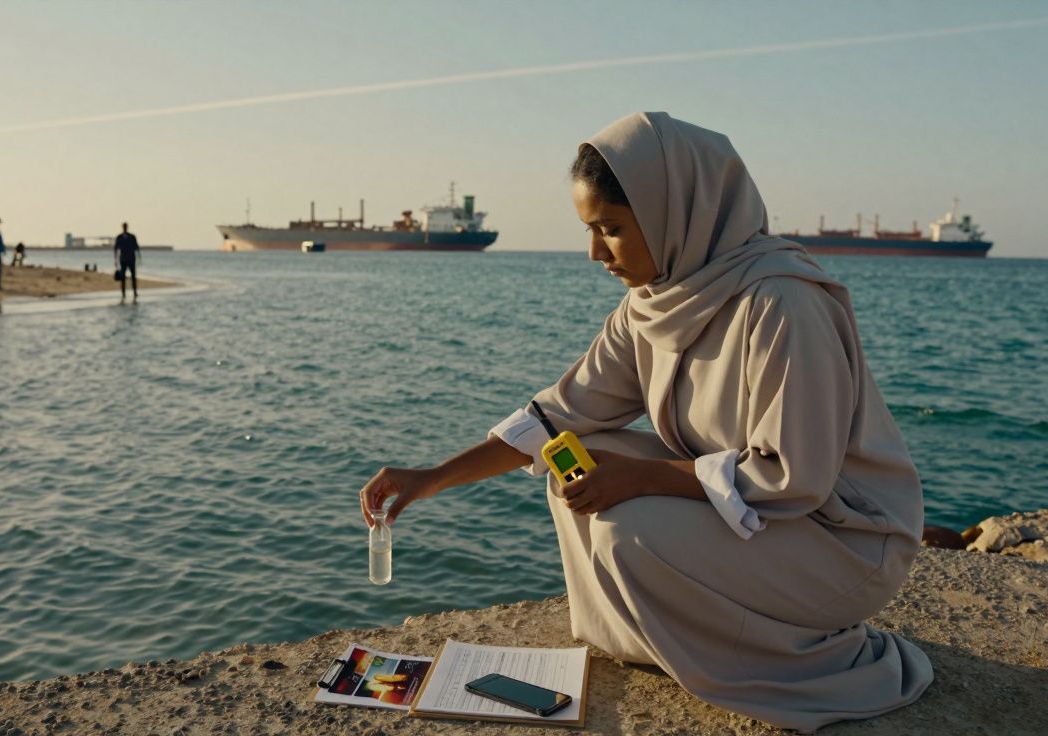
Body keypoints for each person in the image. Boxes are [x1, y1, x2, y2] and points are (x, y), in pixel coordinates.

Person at [357, 113, 932, 732]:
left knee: (627, 519)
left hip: (842, 543)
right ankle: (655, 636)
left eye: (611, 230)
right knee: (573, 455)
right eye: (590, 230)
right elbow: (555, 417)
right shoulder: (657, 303)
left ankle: (784, 654)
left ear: (674, 211)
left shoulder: (783, 303)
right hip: (764, 523)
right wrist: (430, 479)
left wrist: (644, 477)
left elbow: (792, 476)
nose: (595, 253)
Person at [114, 222, 140, 301]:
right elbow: (116, 248)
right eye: (124, 227)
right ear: (122, 227)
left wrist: (139, 256)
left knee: (133, 276)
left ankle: (135, 292)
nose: (125, 228)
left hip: (131, 259)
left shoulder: (132, 237)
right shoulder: (119, 237)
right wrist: (115, 260)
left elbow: (136, 247)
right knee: (122, 277)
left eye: (125, 227)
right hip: (123, 259)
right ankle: (123, 293)